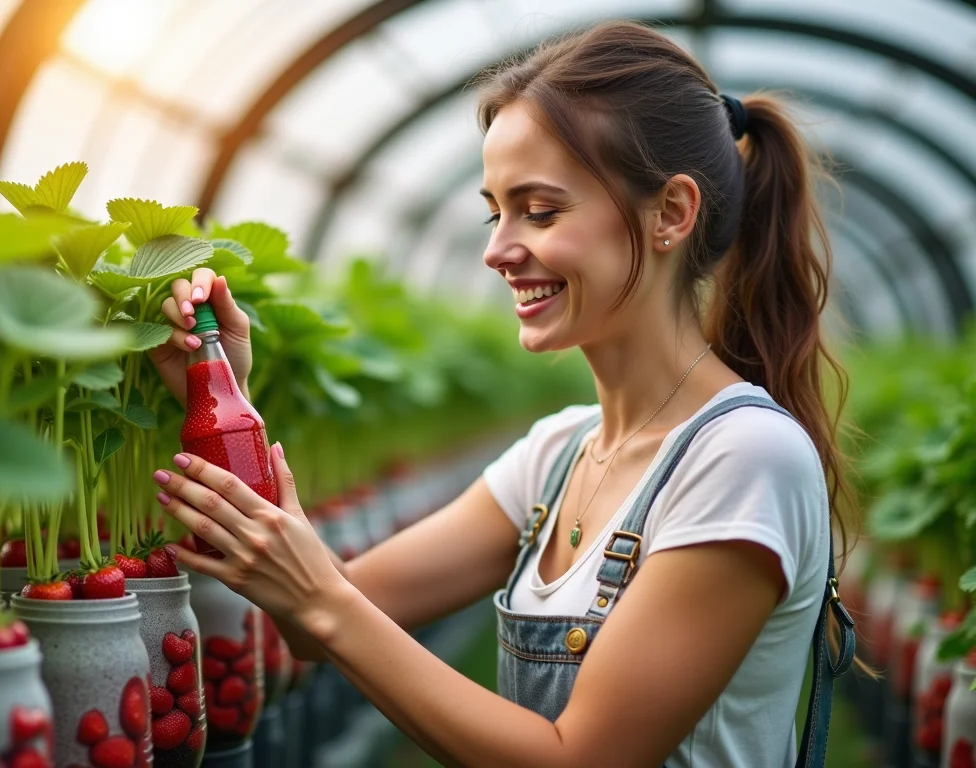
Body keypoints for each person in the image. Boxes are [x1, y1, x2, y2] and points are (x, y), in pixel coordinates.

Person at [146, 20, 856, 768]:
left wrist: (324, 605)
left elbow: (577, 758)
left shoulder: (745, 458)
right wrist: (223, 398)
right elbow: (308, 612)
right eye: (496, 211)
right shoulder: (556, 454)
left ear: (671, 214)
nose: (497, 250)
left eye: (540, 211)